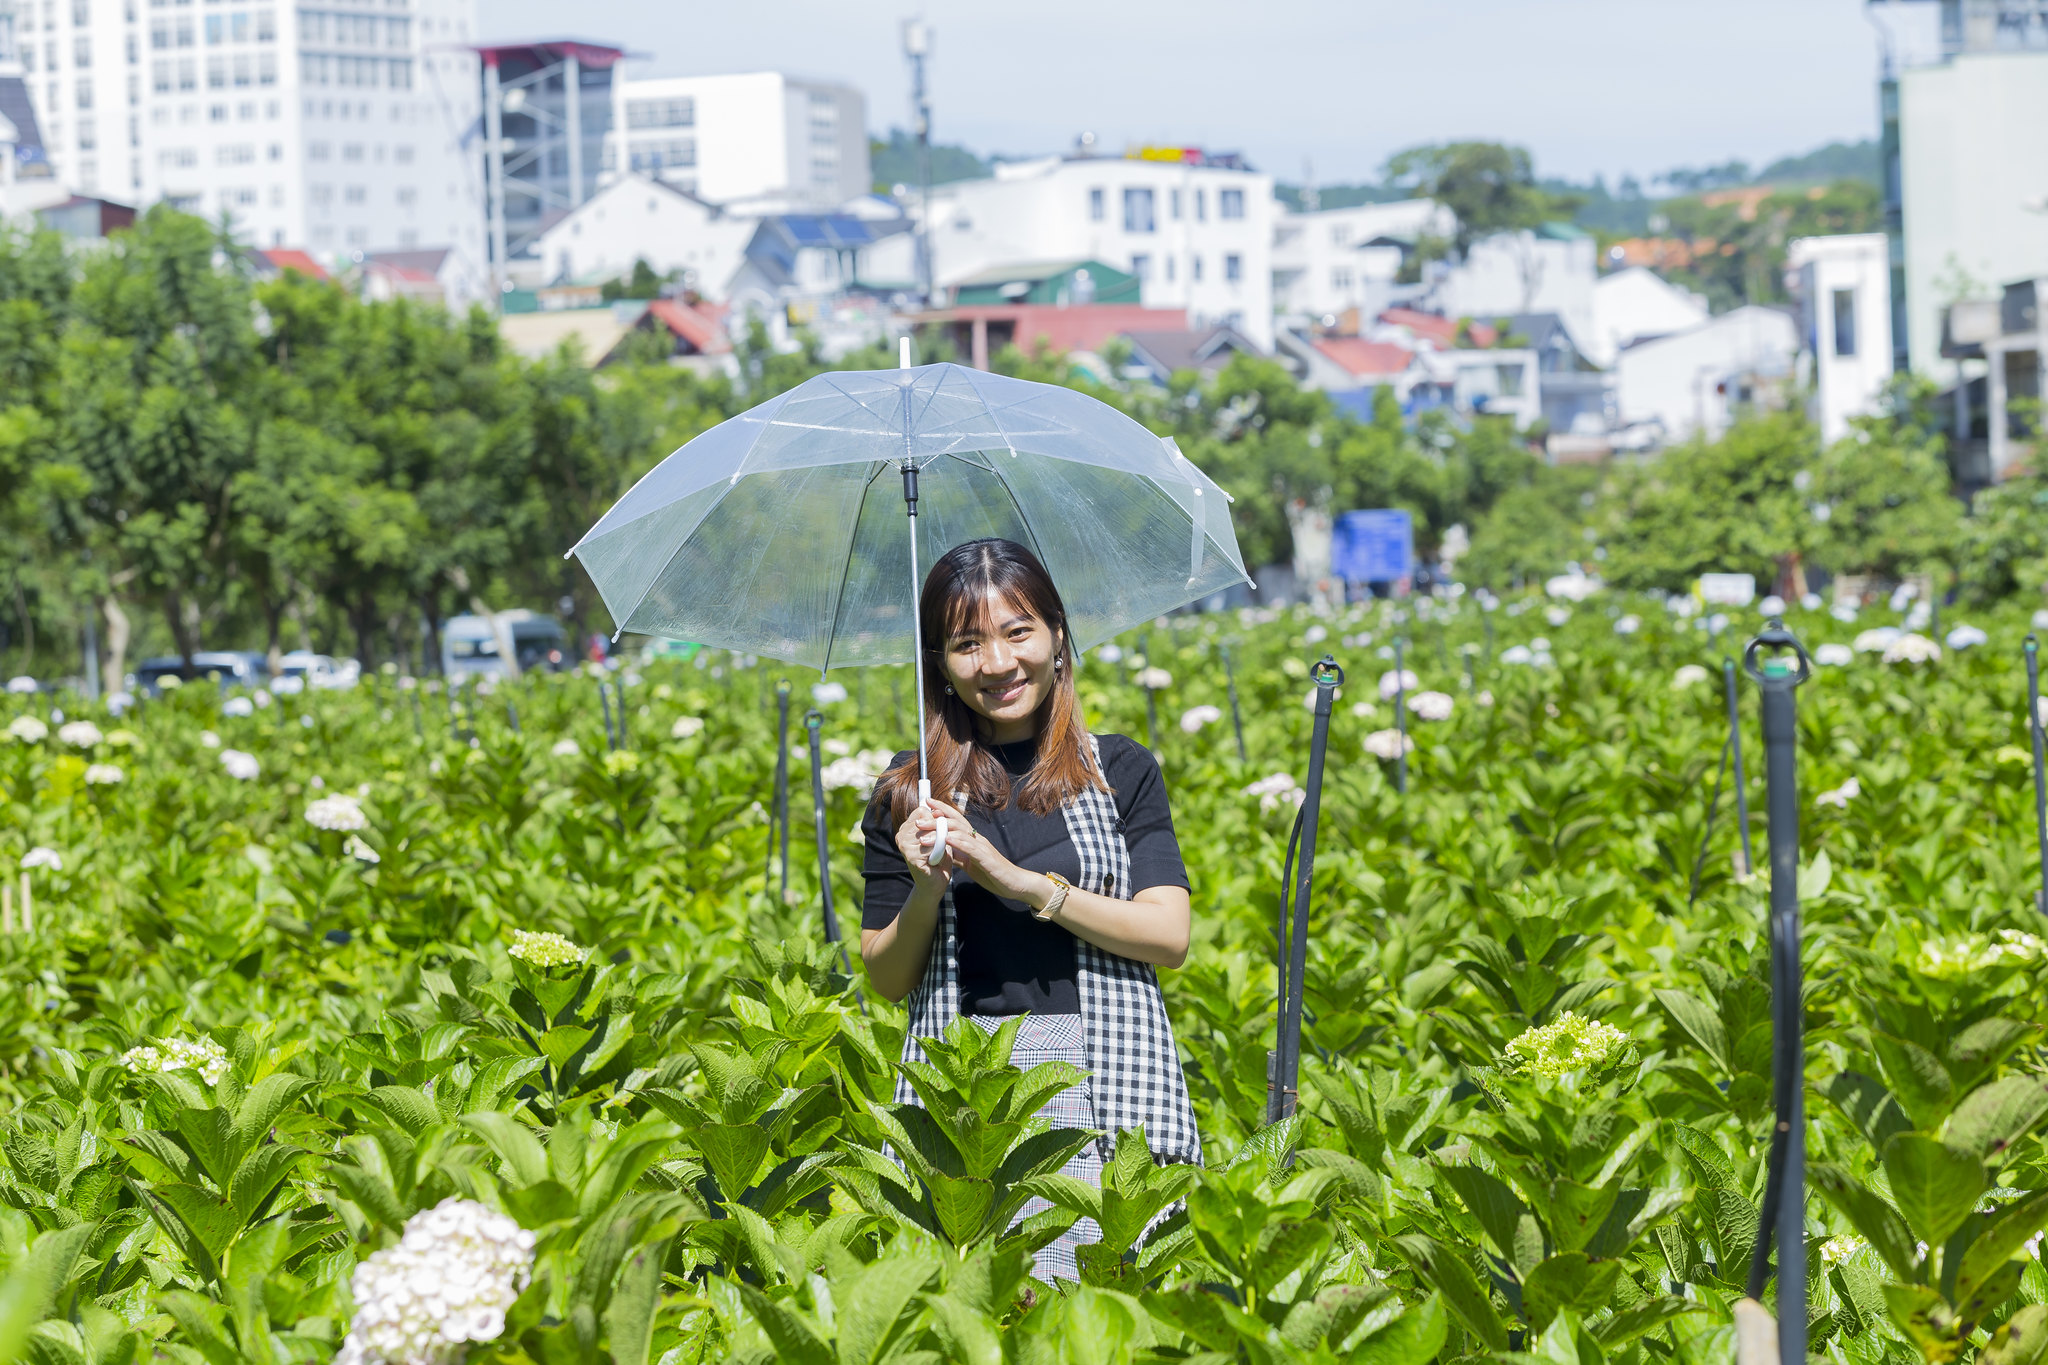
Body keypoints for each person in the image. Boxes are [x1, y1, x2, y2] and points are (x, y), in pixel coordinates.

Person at [859, 537, 1201, 1284]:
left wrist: (1019, 883)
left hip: (1111, 1069)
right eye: (966, 642)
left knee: (1108, 1310)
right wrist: (926, 885)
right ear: (938, 662)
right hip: (970, 1079)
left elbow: (1168, 935)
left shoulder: (1121, 770)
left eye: (1018, 632)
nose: (996, 662)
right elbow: (885, 977)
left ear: (1056, 637)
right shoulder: (906, 792)